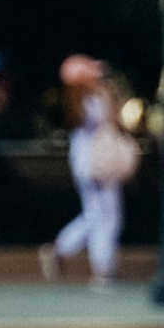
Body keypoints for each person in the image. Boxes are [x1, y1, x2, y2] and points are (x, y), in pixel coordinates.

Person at [40, 55, 138, 289]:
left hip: (89, 163)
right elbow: (113, 122)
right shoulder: (89, 99)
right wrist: (110, 96)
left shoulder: (80, 100)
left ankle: (63, 249)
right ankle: (102, 270)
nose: (97, 77)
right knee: (107, 216)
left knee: (96, 214)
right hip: (98, 163)